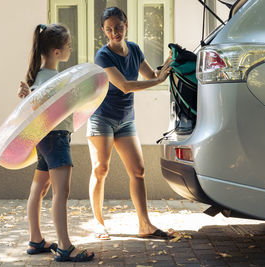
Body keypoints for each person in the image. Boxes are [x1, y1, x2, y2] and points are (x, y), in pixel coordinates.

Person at [87, 7, 173, 240]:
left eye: (118, 27)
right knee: (100, 169)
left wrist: (169, 63)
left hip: (125, 120)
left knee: (138, 171)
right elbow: (125, 85)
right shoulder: (103, 55)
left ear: (126, 25)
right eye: (109, 29)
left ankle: (145, 225)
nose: (114, 32)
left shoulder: (134, 49)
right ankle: (98, 223)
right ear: (104, 31)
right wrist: (158, 81)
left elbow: (151, 76)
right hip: (102, 117)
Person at [18, 23, 94, 262]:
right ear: (56, 52)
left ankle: (36, 239)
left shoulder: (40, 76)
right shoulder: (54, 78)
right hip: (56, 137)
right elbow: (48, 108)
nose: (71, 48)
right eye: (68, 45)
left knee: (39, 189)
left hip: (44, 138)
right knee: (61, 192)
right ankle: (64, 246)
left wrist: (29, 95)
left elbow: (37, 106)